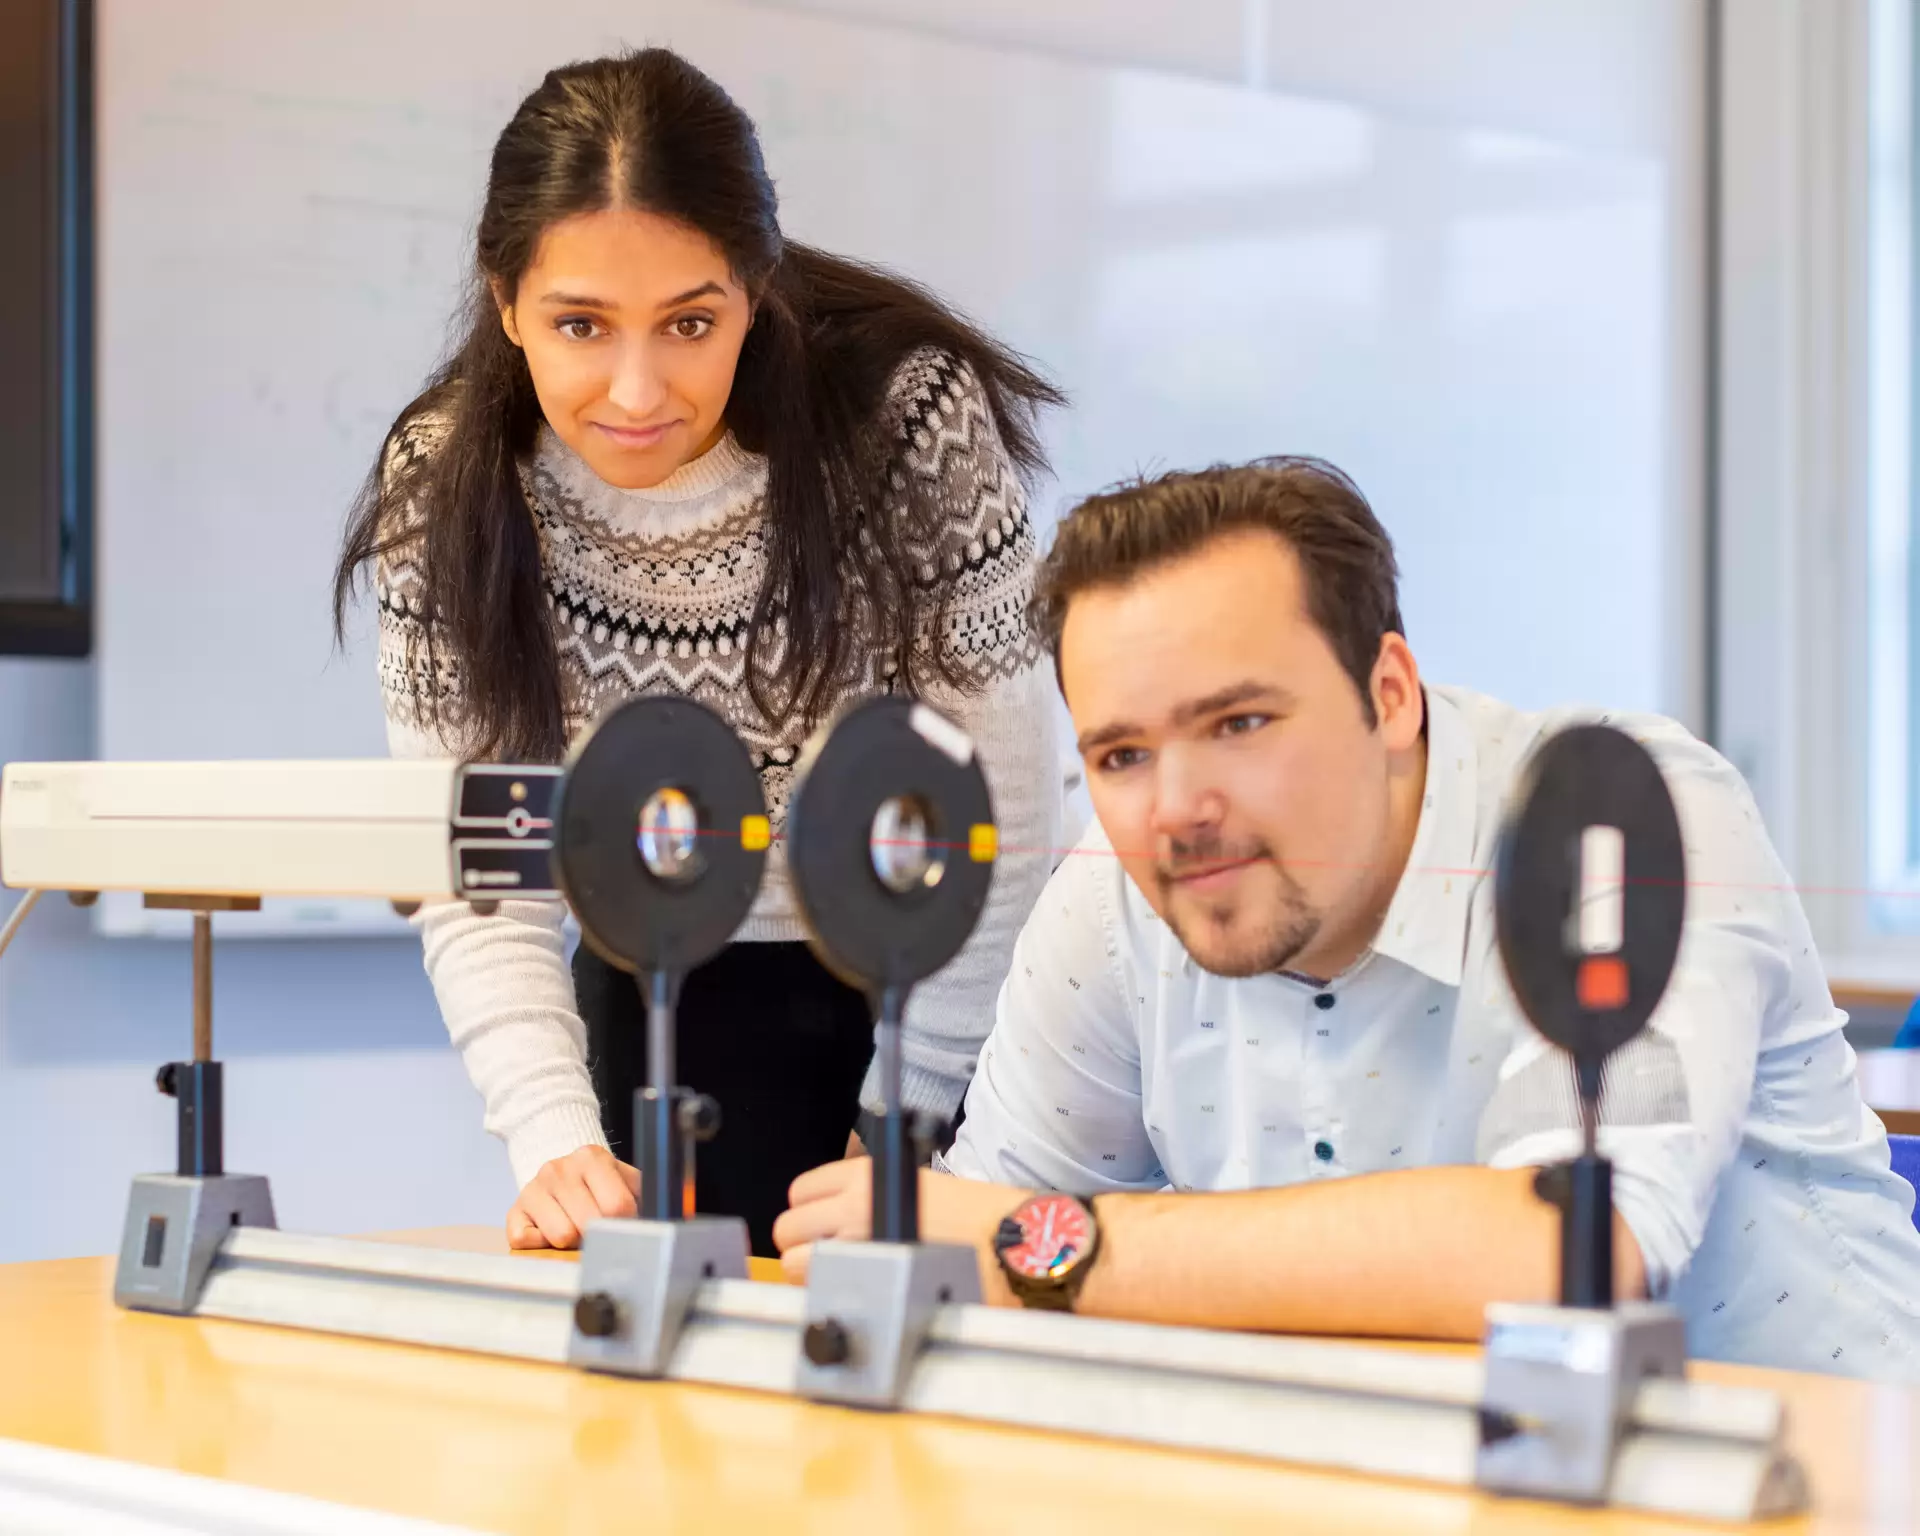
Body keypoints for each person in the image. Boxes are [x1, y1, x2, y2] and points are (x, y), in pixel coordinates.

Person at [775, 457, 1920, 1381]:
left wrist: (1049, 1245)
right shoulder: (1111, 891)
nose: (1175, 811)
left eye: (1238, 724)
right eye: (1121, 754)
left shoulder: (1617, 819)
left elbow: (1565, 1250)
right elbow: (966, 1252)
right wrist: (989, 1243)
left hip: (1813, 1486)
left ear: (1389, 694)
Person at [334, 49, 1063, 1257]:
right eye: (580, 325)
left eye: (689, 323)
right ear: (506, 301)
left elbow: (997, 816)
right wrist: (555, 1139)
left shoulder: (904, 424)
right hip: (656, 990)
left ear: (756, 292)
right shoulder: (450, 482)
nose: (636, 389)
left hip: (934, 990)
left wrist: (909, 1118)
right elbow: (485, 867)